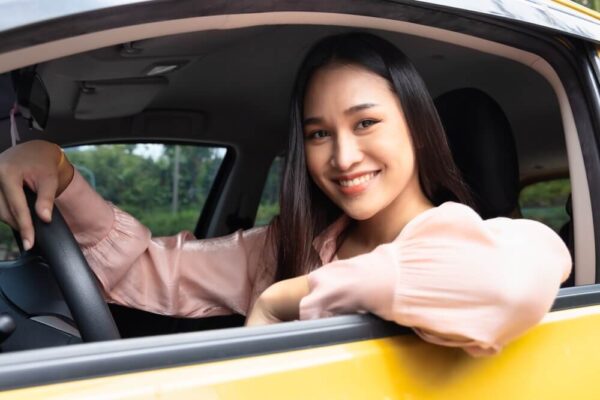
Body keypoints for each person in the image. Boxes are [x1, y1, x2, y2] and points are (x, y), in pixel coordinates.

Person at [0, 33, 571, 356]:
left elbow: (506, 281)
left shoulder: (478, 240)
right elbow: (153, 272)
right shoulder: (288, 243)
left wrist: (286, 300)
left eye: (366, 123)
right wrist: (62, 172)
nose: (343, 157)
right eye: (320, 133)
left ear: (417, 127)